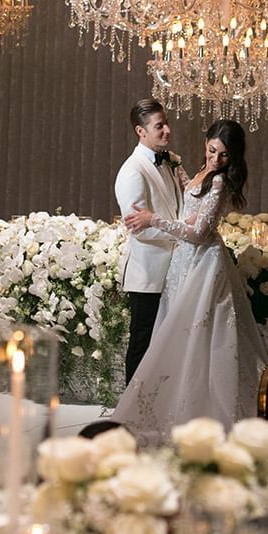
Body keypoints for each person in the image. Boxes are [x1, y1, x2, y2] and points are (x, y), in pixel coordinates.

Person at [111, 119, 267, 444]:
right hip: (184, 262)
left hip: (205, 264)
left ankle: (204, 412)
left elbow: (198, 234)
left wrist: (154, 218)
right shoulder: (202, 171)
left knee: (202, 338)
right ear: (206, 142)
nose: (215, 160)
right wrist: (179, 169)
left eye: (224, 156)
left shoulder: (222, 182)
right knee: (178, 333)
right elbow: (191, 201)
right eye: (212, 151)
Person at [114, 99, 182, 384]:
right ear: (140, 132)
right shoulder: (132, 170)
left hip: (174, 268)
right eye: (159, 126)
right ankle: (132, 409)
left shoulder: (171, 160)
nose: (166, 130)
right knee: (142, 344)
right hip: (149, 273)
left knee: (167, 345)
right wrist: (182, 235)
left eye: (166, 123)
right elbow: (139, 228)